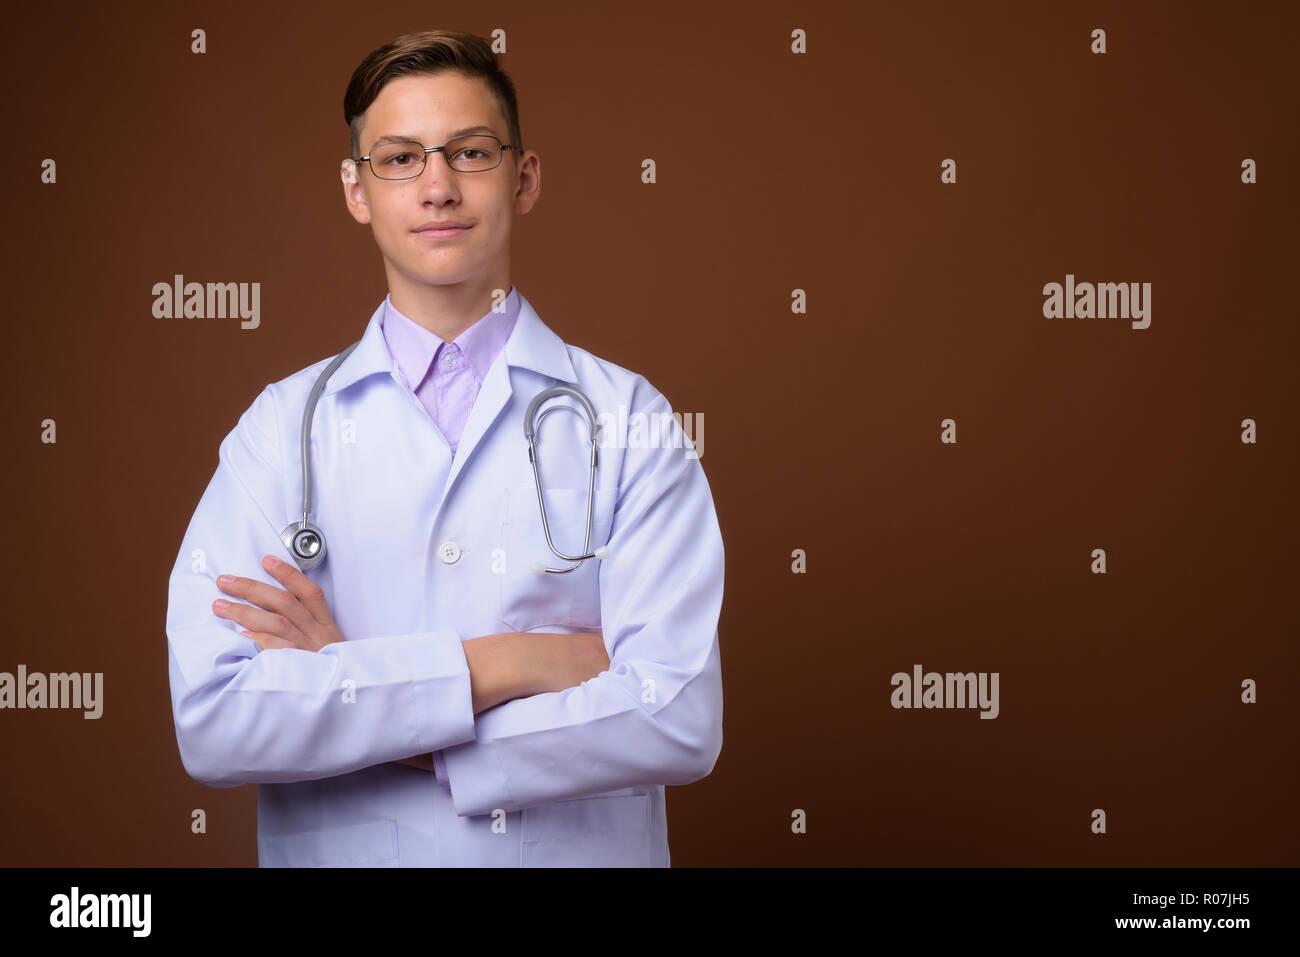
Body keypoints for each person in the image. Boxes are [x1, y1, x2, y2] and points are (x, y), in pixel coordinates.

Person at [163, 30, 724, 867]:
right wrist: (515, 662)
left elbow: (674, 716)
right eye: (398, 158)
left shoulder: (626, 417)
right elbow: (214, 718)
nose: (437, 186)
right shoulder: (280, 432)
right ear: (356, 190)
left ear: (523, 177)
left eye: (470, 151)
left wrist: (355, 681)